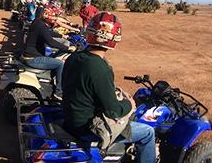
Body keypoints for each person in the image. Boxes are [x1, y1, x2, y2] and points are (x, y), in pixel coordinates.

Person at [62, 12, 155, 163]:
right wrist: (129, 104)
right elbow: (113, 111)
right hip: (87, 129)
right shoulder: (99, 68)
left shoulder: (74, 57)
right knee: (148, 132)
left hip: (70, 120)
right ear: (114, 40)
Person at [23, 6, 76, 100]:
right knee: (60, 64)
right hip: (32, 58)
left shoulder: (37, 22)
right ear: (44, 15)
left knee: (56, 54)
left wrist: (62, 35)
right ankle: (58, 92)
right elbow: (50, 42)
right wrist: (68, 48)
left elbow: (48, 33)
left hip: (32, 54)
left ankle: (52, 81)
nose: (53, 19)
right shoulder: (41, 25)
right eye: (51, 16)